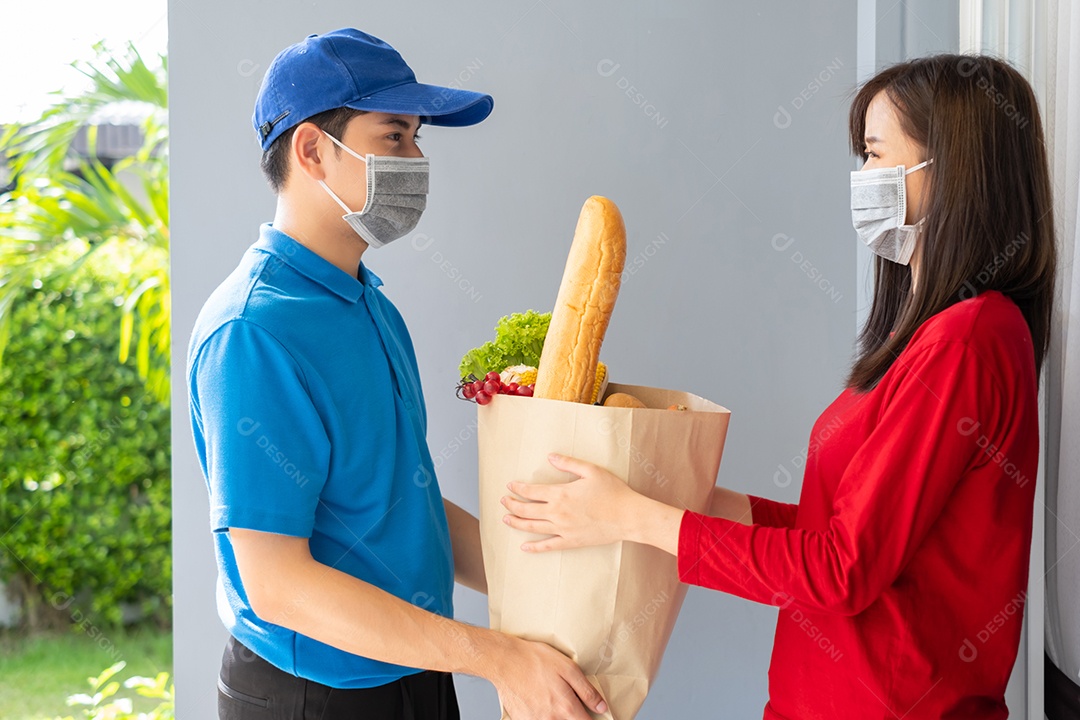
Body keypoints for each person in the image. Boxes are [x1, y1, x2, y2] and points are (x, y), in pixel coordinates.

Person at [502, 54, 1057, 719]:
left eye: (876, 156)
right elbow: (845, 535)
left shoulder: (967, 339)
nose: (862, 178)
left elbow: (840, 571)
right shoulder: (934, 333)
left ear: (948, 171)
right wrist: (679, 497)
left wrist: (637, 518)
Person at [187, 28, 608, 720]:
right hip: (315, 697)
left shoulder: (365, 301)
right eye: (394, 137)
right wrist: (499, 657)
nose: (416, 159)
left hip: (416, 672)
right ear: (313, 150)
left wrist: (564, 564)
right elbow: (279, 585)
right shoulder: (254, 331)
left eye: (418, 139)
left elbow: (396, 507)